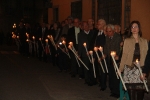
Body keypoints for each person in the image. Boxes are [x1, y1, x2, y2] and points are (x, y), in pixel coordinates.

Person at [119, 21, 149, 100]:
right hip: (130, 69)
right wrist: (120, 68)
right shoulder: (127, 41)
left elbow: (147, 56)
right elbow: (124, 55)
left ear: (139, 29)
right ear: (131, 30)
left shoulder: (144, 41)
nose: (134, 28)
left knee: (140, 94)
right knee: (131, 94)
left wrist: (146, 70)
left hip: (140, 69)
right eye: (132, 27)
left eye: (136, 27)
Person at [103, 24, 122, 98]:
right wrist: (105, 53)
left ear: (113, 31)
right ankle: (112, 90)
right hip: (109, 57)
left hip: (116, 58)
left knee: (115, 75)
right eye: (107, 31)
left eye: (110, 31)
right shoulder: (107, 37)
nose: (108, 33)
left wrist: (116, 56)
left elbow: (119, 48)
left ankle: (117, 92)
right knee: (111, 74)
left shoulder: (118, 37)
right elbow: (106, 47)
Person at [78, 21, 95, 85]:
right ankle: (87, 79)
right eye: (84, 26)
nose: (86, 27)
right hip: (85, 53)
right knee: (86, 67)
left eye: (87, 25)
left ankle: (93, 79)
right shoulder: (80, 34)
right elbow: (80, 44)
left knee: (92, 66)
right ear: (82, 27)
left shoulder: (92, 33)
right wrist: (79, 53)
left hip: (92, 52)